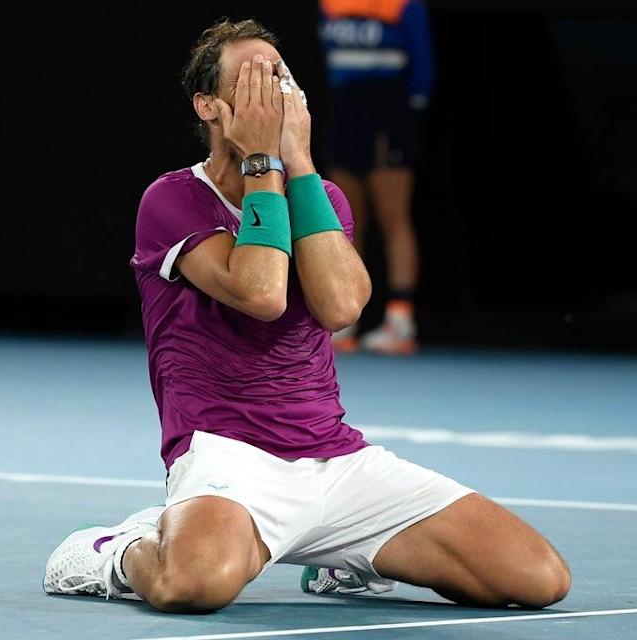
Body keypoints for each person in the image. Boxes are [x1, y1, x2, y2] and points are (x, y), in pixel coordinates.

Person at [42, 18, 570, 613]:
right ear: (209, 107)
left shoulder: (322, 198)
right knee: (192, 586)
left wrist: (298, 161)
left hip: (337, 461)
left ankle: (338, 561)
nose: (273, 92)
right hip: (227, 458)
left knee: (537, 579)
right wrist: (266, 158)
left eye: (280, 77)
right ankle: (120, 549)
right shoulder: (170, 200)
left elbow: (342, 306)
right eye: (252, 81)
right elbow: (262, 293)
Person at [319, 0, 434, 354]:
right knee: (345, 222)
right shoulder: (329, 4)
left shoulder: (405, 4)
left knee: (393, 217)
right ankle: (345, 319)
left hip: (388, 111)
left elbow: (423, 68)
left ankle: (400, 321)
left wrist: (404, 115)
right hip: (346, 110)